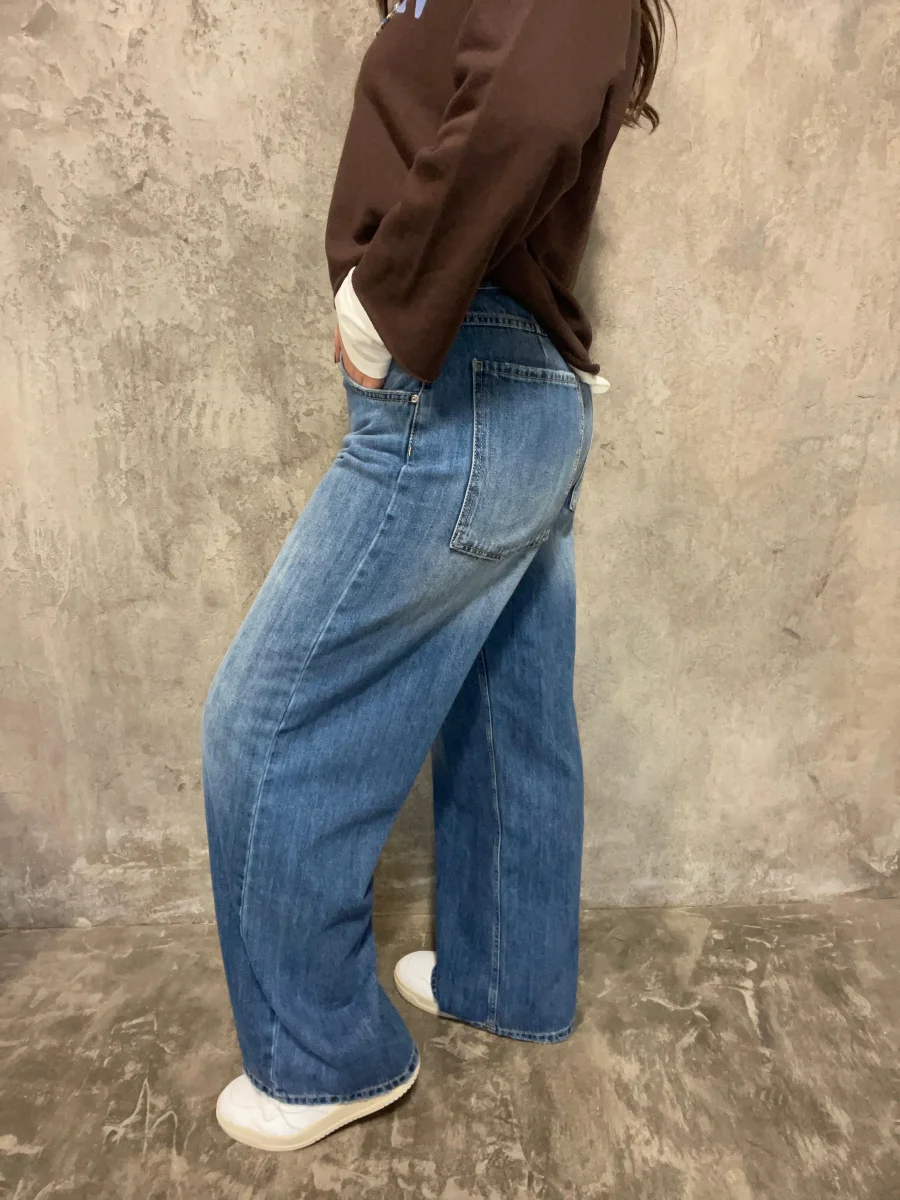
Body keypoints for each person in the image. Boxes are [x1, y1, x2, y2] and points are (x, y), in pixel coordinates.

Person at [203, 0, 672, 1153]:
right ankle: (505, 978)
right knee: (511, 713)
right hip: (518, 392)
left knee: (270, 726)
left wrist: (385, 302)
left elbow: (534, 106)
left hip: (461, 386)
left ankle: (324, 1061)